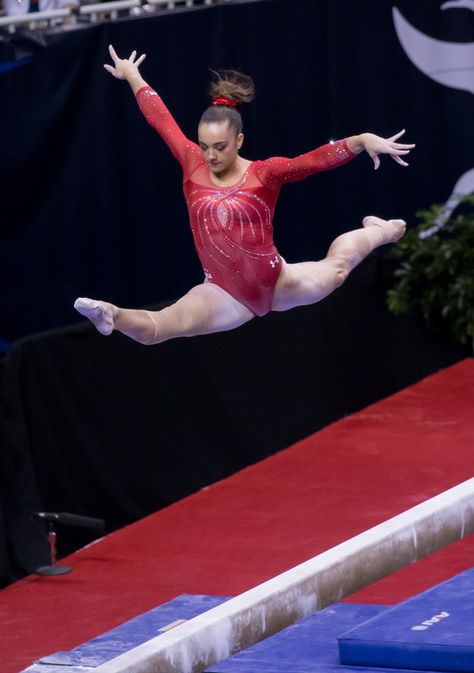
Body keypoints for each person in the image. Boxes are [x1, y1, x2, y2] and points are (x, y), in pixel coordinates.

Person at [74, 46, 415, 345]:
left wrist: (359, 140)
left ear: (238, 141)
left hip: (277, 281)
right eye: (205, 146)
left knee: (338, 270)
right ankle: (112, 315)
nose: (210, 155)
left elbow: (313, 161)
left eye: (220, 147)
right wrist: (133, 75)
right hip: (223, 293)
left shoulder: (264, 173)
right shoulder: (191, 162)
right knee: (161, 327)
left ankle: (379, 229)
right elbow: (161, 120)